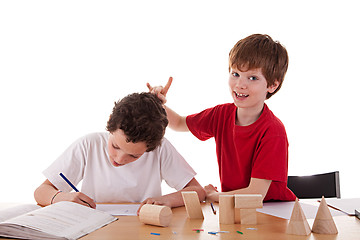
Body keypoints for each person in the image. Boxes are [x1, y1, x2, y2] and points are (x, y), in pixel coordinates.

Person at [147, 34, 297, 202]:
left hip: (272, 212)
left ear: (272, 85)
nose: (240, 84)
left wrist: (214, 195)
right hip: (235, 207)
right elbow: (179, 123)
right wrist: (156, 103)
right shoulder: (221, 115)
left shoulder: (273, 131)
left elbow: (255, 194)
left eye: (252, 78)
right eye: (235, 74)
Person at [34, 92, 205, 210]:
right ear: (109, 124)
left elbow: (198, 191)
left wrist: (167, 200)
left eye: (134, 155)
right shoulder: (89, 145)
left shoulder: (160, 149)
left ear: (152, 147)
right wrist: (61, 197)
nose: (120, 158)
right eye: (116, 146)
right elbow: (41, 192)